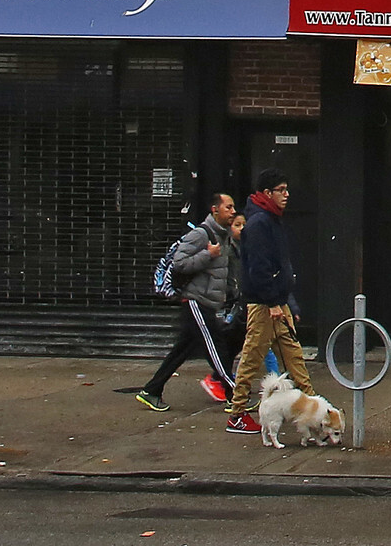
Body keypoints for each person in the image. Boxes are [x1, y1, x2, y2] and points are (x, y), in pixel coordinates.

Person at [225, 170, 319, 433]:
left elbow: (278, 267)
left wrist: (286, 301)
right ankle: (238, 413)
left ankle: (312, 404)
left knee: (293, 355)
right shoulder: (259, 224)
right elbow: (259, 269)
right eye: (281, 189)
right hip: (264, 305)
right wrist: (273, 302)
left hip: (277, 302)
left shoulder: (271, 220)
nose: (287, 194)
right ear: (268, 193)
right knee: (253, 356)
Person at [135, 191, 244, 410]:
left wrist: (231, 293)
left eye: (233, 208)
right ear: (215, 210)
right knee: (217, 350)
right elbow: (179, 264)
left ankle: (151, 390)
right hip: (196, 301)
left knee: (181, 351)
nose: (233, 212)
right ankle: (236, 396)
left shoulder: (224, 236)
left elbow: (223, 272)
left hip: (208, 302)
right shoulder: (202, 235)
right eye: (228, 207)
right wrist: (207, 255)